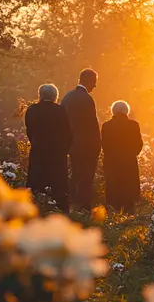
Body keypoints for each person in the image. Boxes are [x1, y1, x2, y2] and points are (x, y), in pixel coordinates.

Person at [24, 84, 72, 213]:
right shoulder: (60, 110)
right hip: (56, 155)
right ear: (55, 96)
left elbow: (30, 131)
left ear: (40, 95)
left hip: (38, 153)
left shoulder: (32, 110)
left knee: (36, 183)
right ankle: (58, 211)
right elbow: (68, 133)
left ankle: (34, 209)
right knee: (57, 186)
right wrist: (64, 150)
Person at [61, 69, 101, 212]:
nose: (95, 86)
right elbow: (92, 125)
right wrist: (98, 145)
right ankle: (83, 207)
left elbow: (62, 122)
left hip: (71, 145)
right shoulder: (87, 99)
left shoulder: (67, 97)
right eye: (94, 82)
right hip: (87, 145)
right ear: (88, 80)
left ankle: (69, 203)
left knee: (75, 174)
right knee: (86, 176)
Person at [101, 100, 143, 214]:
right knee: (129, 187)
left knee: (113, 188)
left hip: (112, 162)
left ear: (113, 111)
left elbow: (104, 145)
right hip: (129, 162)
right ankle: (129, 214)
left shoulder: (106, 126)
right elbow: (139, 144)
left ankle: (113, 213)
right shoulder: (134, 125)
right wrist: (132, 154)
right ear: (126, 111)